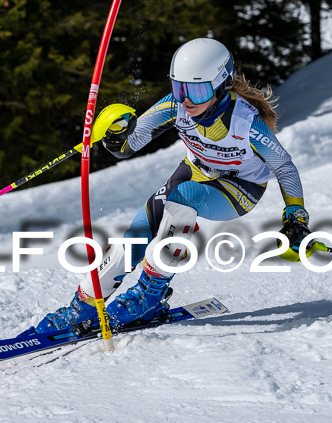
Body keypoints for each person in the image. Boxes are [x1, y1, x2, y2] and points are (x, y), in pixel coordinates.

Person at [19, 38, 311, 336]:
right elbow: (129, 144)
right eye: (179, 87)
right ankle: (83, 307)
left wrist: (295, 219)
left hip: (239, 188)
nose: (185, 100)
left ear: (221, 84)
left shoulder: (246, 122)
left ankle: (149, 293)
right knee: (137, 233)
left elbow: (284, 167)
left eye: (196, 91)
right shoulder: (176, 105)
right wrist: (115, 134)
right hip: (195, 171)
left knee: (184, 196)